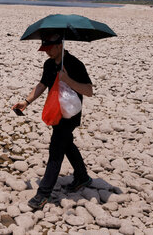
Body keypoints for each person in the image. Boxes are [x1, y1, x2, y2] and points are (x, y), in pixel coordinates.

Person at [13, 32, 94, 210]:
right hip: (55, 110)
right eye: (45, 49)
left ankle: (43, 193)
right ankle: (82, 177)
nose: (47, 53)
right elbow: (42, 84)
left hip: (70, 114)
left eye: (50, 49)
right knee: (66, 144)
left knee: (56, 148)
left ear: (60, 46)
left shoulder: (75, 64)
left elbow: (89, 91)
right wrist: (26, 102)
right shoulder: (49, 64)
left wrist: (67, 80)